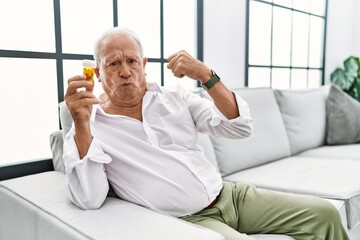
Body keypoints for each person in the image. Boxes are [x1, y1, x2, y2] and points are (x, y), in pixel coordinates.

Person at [63, 27, 349, 240]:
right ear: (98, 73)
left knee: (324, 213)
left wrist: (205, 75)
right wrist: (81, 123)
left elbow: (239, 127)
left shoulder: (174, 97)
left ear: (144, 65)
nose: (125, 71)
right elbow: (90, 198)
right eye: (113, 63)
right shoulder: (88, 127)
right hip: (189, 221)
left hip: (231, 195)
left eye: (132, 61)